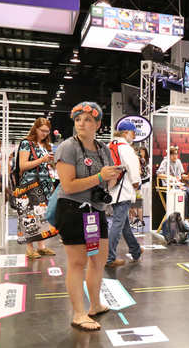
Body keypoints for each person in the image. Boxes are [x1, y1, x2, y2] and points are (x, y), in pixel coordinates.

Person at [54, 102, 119, 331]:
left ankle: (95, 305)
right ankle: (79, 313)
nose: (82, 123)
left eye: (88, 120)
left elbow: (108, 178)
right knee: (77, 263)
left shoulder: (103, 149)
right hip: (72, 209)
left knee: (98, 261)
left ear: (98, 124)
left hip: (96, 210)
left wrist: (112, 178)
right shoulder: (67, 147)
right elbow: (68, 185)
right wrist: (100, 176)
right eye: (78, 119)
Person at [16, 118, 58, 258]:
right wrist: (42, 160)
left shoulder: (45, 145)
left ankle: (41, 247)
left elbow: (45, 165)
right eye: (42, 131)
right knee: (29, 216)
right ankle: (29, 249)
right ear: (35, 129)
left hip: (44, 184)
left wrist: (50, 162)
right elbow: (23, 165)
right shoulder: (26, 144)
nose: (45, 134)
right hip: (29, 185)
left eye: (47, 131)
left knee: (42, 216)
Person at [105, 120, 143, 268]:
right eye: (133, 133)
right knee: (117, 224)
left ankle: (136, 250)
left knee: (124, 224)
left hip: (112, 189)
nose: (134, 136)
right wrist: (136, 185)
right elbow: (134, 170)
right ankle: (109, 257)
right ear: (126, 132)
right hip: (124, 191)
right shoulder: (126, 148)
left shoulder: (109, 146)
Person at [157, 145, 189, 219]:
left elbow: (182, 175)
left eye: (176, 154)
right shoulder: (165, 161)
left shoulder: (178, 161)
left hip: (179, 184)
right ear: (169, 155)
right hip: (169, 185)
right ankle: (183, 218)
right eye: (173, 154)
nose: (175, 156)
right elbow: (159, 174)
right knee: (184, 195)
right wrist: (170, 177)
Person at [129, 146, 150, 229]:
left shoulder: (138, 159)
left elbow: (140, 172)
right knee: (134, 204)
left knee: (135, 204)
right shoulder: (137, 159)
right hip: (136, 183)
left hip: (136, 183)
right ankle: (136, 220)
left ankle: (138, 220)